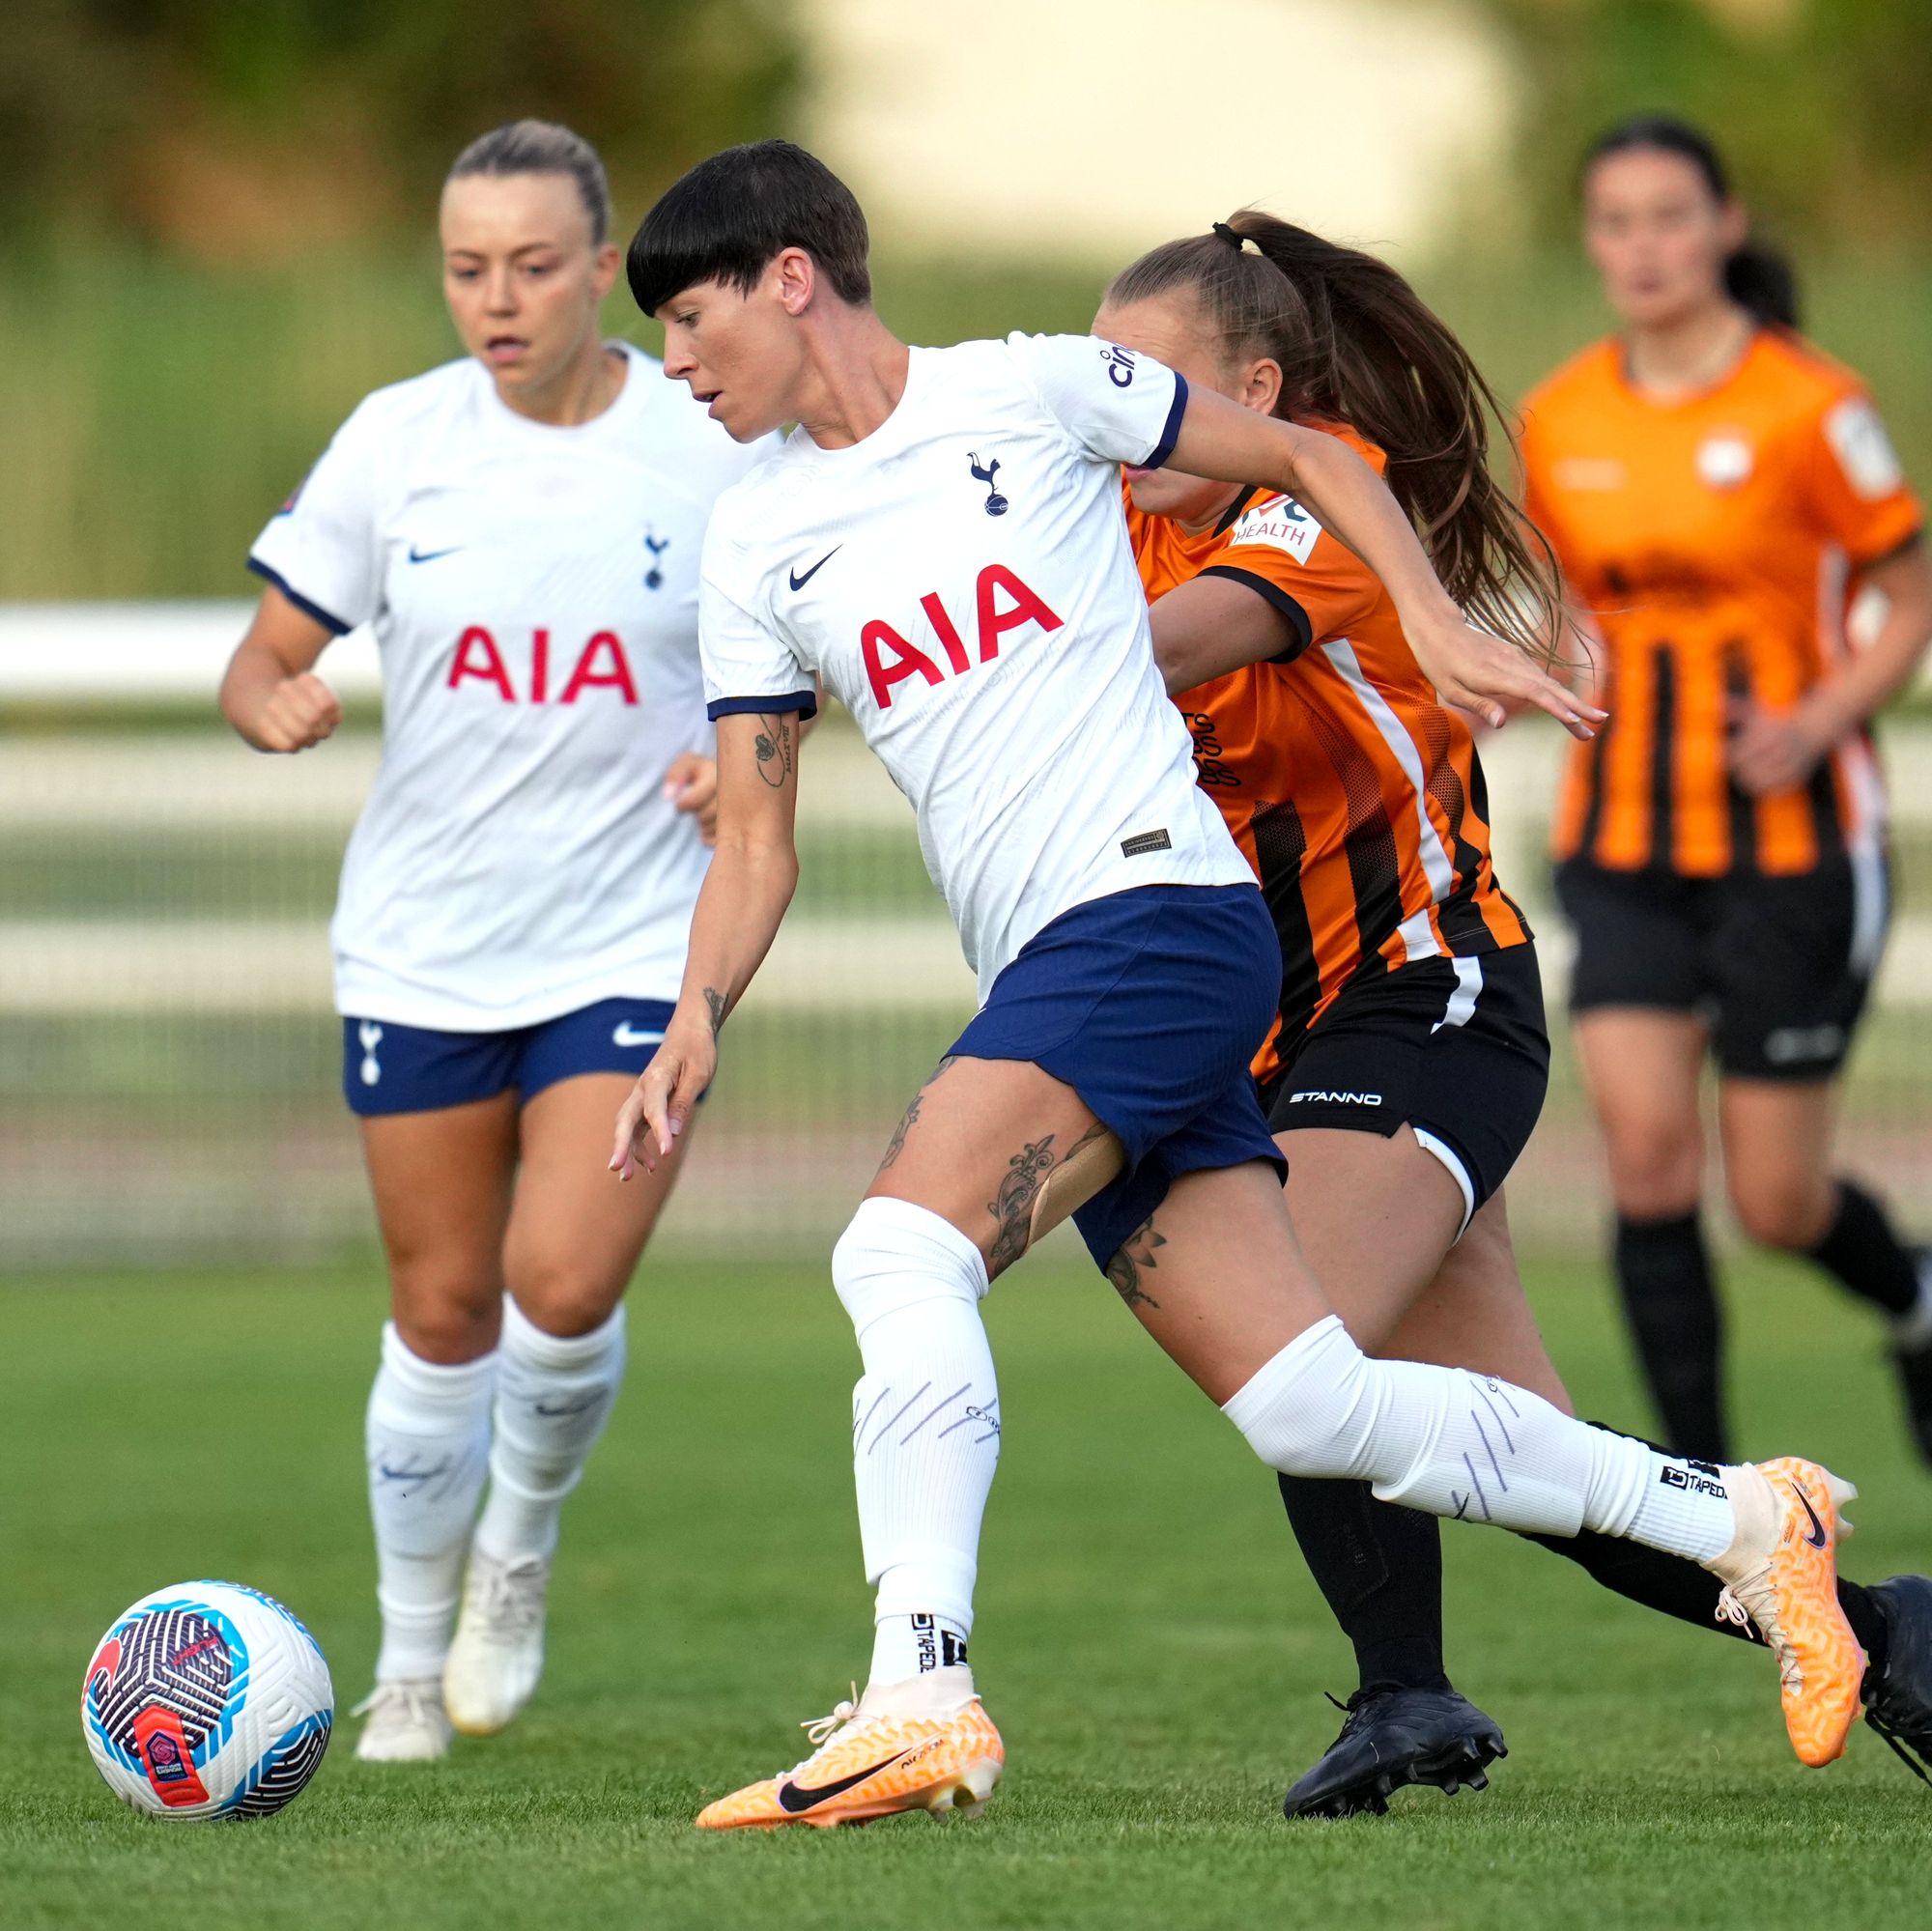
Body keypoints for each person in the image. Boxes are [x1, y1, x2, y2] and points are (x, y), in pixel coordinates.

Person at [611, 138, 1865, 1832]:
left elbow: (1304, 454)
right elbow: (755, 837)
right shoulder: (754, 544)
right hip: (1149, 974)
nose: (673, 366)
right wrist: (694, 1011)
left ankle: (921, 1694)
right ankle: (1744, 1524)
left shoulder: (1028, 396)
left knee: (897, 1246)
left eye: (688, 319)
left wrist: (1426, 611)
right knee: (1308, 1403)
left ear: (791, 276)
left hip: (1159, 927)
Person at [1099, 213, 1932, 1816]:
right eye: (1097, 379)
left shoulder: (1317, 488)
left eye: (1146, 381)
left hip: (1429, 998)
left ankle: (1407, 1694)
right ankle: (1891, 1630)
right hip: (1277, 1050)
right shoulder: (1107, 520)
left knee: (1299, 1341)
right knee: (1539, 1462)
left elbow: (1159, 651)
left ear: (1255, 387)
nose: (1117, 412)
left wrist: (950, 668)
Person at [219, 121, 772, 1763]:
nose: (499, 298)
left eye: (535, 266)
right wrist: (280, 705)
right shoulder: (397, 444)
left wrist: (740, 751)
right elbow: (259, 657)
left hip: (630, 945)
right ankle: (402, 1663)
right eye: (469, 269)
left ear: (602, 269)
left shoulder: (708, 446)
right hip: (423, 949)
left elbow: (817, 648)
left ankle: (516, 1549)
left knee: (562, 1280)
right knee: (445, 1307)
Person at [1518, 117, 1932, 1467]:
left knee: (1776, 1201)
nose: (1645, 246)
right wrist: (1533, 666)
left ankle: (1917, 1296)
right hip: (1621, 833)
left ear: (1726, 227)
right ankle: (1703, 1499)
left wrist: (1819, 715)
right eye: (1618, 221)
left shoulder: (1814, 407)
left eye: (1671, 217)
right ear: (1593, 240)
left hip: (1791, 844)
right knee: (1644, 1157)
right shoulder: (1561, 413)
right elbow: (1564, 609)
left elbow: (1909, 593)